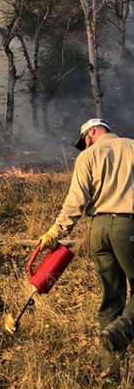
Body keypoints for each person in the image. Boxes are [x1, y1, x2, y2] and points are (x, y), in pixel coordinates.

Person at [37, 118, 134, 370]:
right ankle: (118, 333)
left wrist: (56, 231)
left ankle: (110, 365)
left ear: (93, 130)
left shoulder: (87, 157)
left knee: (111, 294)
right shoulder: (132, 147)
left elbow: (75, 201)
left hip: (98, 230)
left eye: (85, 139)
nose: (85, 144)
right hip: (128, 226)